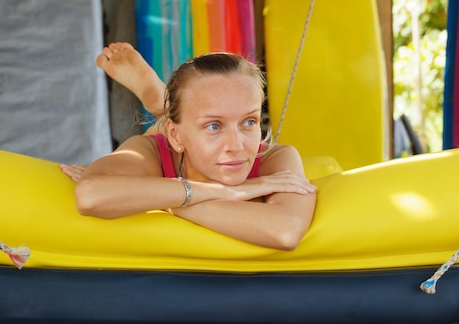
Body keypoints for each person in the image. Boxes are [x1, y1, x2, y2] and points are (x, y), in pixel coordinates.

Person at [60, 42, 316, 251]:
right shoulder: (150, 151)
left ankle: (161, 100)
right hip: (172, 139)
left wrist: (161, 201)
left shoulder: (274, 158)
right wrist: (227, 191)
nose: (236, 146)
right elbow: (90, 195)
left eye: (249, 121)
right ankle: (159, 100)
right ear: (175, 136)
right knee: (173, 124)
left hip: (179, 132)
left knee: (186, 119)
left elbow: (286, 232)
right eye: (214, 126)